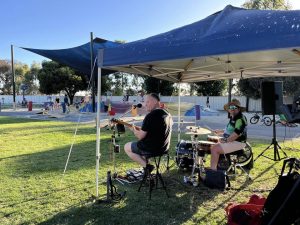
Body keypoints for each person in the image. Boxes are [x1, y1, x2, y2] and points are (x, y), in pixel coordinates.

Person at [124, 93, 173, 172]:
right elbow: (156, 130)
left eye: (147, 102)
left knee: (126, 147)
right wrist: (140, 129)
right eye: (145, 102)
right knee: (141, 146)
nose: (145, 104)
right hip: (164, 148)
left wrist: (134, 130)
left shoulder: (150, 116)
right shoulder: (167, 114)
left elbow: (140, 136)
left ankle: (147, 167)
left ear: (155, 102)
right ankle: (147, 171)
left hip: (152, 149)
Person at [210, 99, 247, 170]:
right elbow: (229, 130)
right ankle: (218, 167)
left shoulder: (240, 119)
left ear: (238, 109)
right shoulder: (234, 117)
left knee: (214, 148)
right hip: (232, 140)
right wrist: (220, 131)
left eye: (234, 107)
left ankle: (213, 172)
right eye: (230, 107)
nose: (232, 109)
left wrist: (226, 140)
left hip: (238, 142)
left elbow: (236, 134)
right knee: (213, 144)